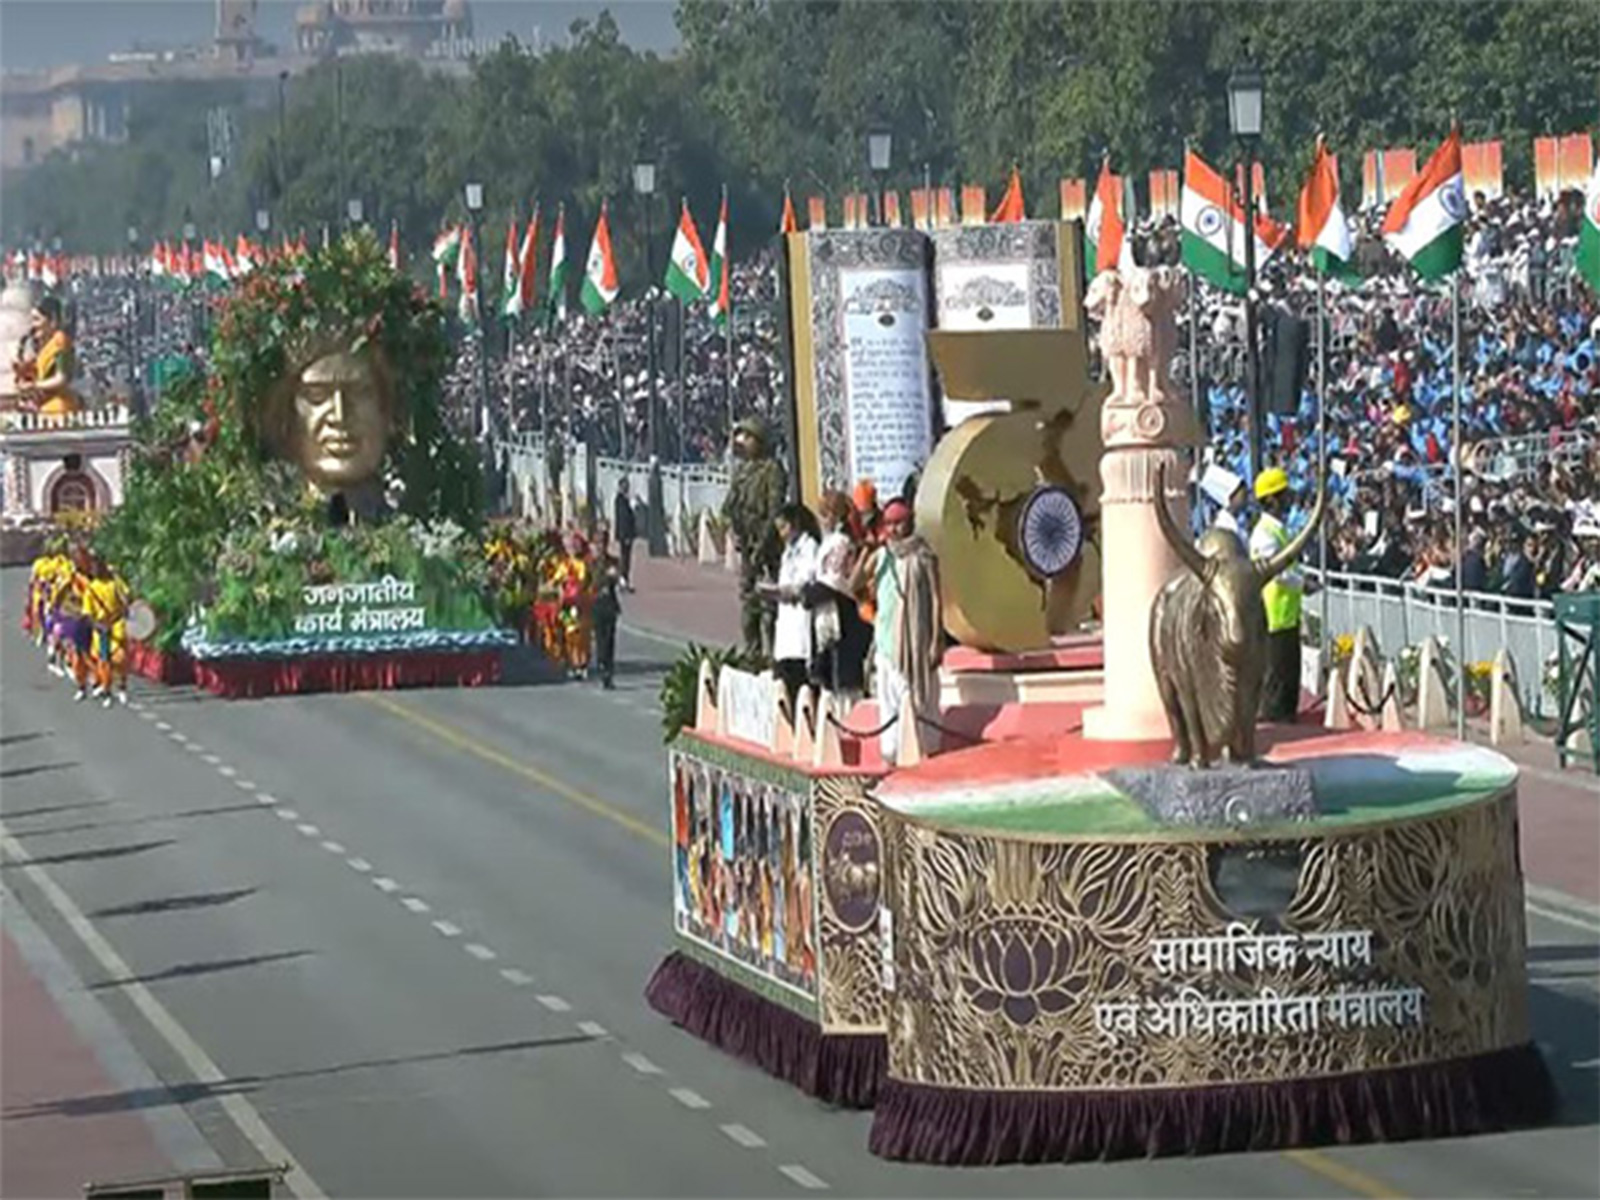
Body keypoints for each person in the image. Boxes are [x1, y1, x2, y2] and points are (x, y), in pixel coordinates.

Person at [856, 500, 943, 766]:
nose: (894, 529)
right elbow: (853, 584)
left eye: (899, 523)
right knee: (889, 703)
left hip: (917, 644)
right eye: (889, 523)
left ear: (910, 522)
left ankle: (925, 754)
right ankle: (891, 757)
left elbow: (936, 599)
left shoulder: (924, 556)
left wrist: (936, 640)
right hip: (886, 643)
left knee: (918, 700)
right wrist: (867, 550)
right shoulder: (882, 556)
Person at [1249, 467, 1307, 722]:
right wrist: (1304, 584)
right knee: (1277, 686)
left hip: (1287, 617)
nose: (1288, 500)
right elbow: (1277, 573)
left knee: (1289, 683)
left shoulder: (1279, 530)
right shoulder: (1264, 534)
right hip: (1273, 619)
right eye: (1284, 495)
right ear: (1271, 500)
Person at [809, 490, 870, 702]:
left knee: (845, 680)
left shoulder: (842, 542)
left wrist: (808, 593)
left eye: (825, 515)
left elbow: (834, 581)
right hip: (827, 613)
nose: (822, 520)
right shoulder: (828, 541)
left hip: (844, 613)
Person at [760, 503, 819, 710]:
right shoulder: (787, 552)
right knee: (784, 676)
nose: (782, 534)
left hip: (801, 617)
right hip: (786, 621)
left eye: (784, 527)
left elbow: (807, 579)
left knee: (801, 677)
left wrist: (788, 590)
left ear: (795, 524)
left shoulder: (809, 547)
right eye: (779, 529)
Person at [13, 297, 79, 416]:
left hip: (60, 406)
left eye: (37, 320)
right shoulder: (45, 345)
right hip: (45, 405)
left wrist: (33, 386)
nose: (33, 325)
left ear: (52, 321)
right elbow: (42, 372)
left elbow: (61, 379)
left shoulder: (60, 341)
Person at [592, 547, 622, 690]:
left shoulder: (613, 561)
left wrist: (615, 576)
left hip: (610, 605)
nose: (600, 548)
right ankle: (602, 664)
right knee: (600, 638)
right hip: (596, 604)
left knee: (609, 639)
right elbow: (590, 582)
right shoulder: (590, 563)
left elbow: (617, 578)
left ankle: (608, 672)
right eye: (597, 544)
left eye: (602, 543)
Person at [612, 477, 637, 592]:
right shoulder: (620, 500)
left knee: (626, 557)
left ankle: (624, 580)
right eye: (625, 486)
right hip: (625, 534)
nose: (627, 488)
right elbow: (623, 519)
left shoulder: (623, 499)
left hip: (626, 533)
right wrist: (625, 535)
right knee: (624, 558)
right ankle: (622, 579)